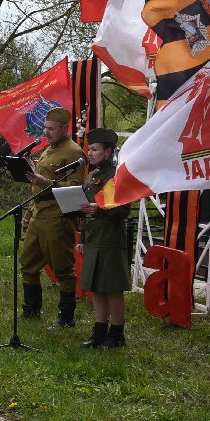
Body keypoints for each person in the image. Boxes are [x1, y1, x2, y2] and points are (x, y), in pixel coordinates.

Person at [19, 107, 85, 326]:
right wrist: (29, 212)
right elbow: (37, 186)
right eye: (46, 128)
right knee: (27, 263)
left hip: (58, 216)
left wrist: (43, 182)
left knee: (63, 269)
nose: (47, 132)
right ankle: (31, 310)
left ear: (65, 129)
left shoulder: (74, 152)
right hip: (39, 212)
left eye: (52, 129)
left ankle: (66, 318)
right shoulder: (48, 150)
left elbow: (75, 187)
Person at [75, 128, 132, 349]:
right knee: (97, 287)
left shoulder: (117, 176)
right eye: (90, 149)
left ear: (108, 152)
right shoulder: (92, 175)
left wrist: (98, 210)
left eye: (95, 149)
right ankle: (99, 330)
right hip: (93, 237)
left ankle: (117, 333)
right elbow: (86, 210)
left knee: (112, 287)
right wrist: (82, 237)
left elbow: (123, 211)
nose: (90, 153)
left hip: (110, 238)